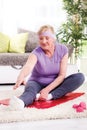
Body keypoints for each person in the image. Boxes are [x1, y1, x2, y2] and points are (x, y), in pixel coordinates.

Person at [3, 25, 85, 110]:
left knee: (80, 77)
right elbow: (28, 66)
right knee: (30, 91)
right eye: (41, 38)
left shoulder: (63, 50)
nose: (44, 41)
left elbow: (62, 75)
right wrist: (21, 76)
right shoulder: (36, 53)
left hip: (55, 84)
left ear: (53, 38)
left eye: (47, 38)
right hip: (36, 82)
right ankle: (21, 103)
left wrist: (47, 90)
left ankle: (50, 96)